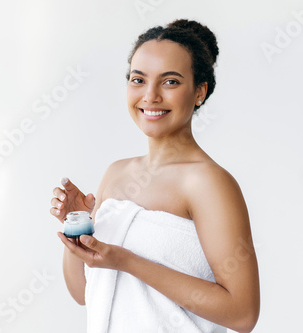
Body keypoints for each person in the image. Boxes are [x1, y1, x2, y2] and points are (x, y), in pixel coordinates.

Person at [51, 19, 260, 333]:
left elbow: (242, 314)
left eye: (171, 82)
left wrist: (127, 261)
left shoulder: (209, 183)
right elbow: (85, 294)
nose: (150, 96)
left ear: (199, 91)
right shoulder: (116, 173)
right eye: (138, 79)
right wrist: (77, 224)